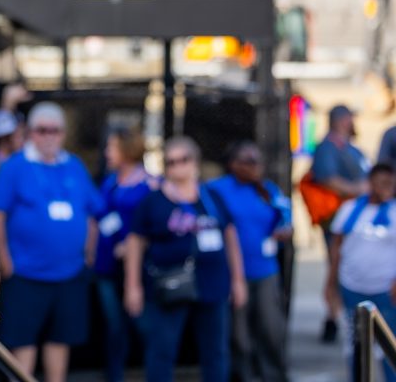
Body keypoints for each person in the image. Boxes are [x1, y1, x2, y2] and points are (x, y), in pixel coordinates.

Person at [0, 102, 102, 382]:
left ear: (63, 133)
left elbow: (91, 211)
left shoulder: (74, 165)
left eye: (55, 130)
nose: (49, 136)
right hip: (26, 273)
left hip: (70, 273)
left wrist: (89, 251)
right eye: (42, 130)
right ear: (30, 132)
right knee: (23, 341)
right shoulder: (15, 166)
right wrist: (3, 257)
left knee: (59, 339)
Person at [124, 136, 247, 382]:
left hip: (212, 285)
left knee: (215, 352)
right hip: (169, 286)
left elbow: (231, 236)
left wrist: (238, 280)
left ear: (195, 162)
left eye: (183, 160)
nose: (177, 167)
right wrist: (132, 286)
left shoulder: (211, 198)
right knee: (162, 351)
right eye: (170, 162)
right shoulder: (153, 201)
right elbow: (135, 242)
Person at [208, 140, 292, 382]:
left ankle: (274, 375)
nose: (256, 166)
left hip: (265, 271)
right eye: (248, 161)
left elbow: (286, 221)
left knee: (271, 328)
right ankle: (243, 375)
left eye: (258, 161)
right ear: (233, 164)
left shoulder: (269, 190)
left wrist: (285, 231)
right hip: (233, 273)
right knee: (239, 335)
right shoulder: (218, 190)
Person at [94, 125, 158, 382]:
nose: (108, 152)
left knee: (144, 326)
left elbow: (158, 225)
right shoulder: (109, 182)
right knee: (114, 328)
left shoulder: (151, 185)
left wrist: (134, 246)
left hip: (139, 271)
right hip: (107, 267)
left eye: (112, 147)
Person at [325, 163, 396, 382]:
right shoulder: (350, 209)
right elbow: (337, 246)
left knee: (389, 347)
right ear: (371, 182)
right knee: (356, 346)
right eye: (382, 182)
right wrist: (331, 283)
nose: (386, 187)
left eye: (391, 183)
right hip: (352, 287)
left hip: (386, 291)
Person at [311, 104, 370, 342]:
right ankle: (334, 319)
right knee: (339, 269)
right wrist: (357, 189)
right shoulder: (328, 146)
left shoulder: (349, 146)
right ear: (341, 120)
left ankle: (341, 317)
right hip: (340, 220)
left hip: (356, 219)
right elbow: (326, 177)